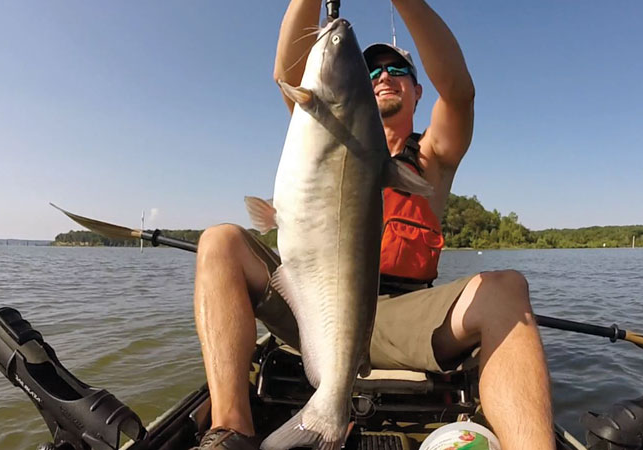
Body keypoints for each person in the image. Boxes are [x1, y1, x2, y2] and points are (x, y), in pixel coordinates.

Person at [192, 1, 554, 449]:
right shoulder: (320, 123)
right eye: (372, 71)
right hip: (312, 306)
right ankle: (230, 432)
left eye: (397, 70)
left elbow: (459, 91)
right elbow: (286, 68)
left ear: (418, 92)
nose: (383, 77)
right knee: (219, 242)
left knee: (506, 289)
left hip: (404, 315)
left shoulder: (432, 157)